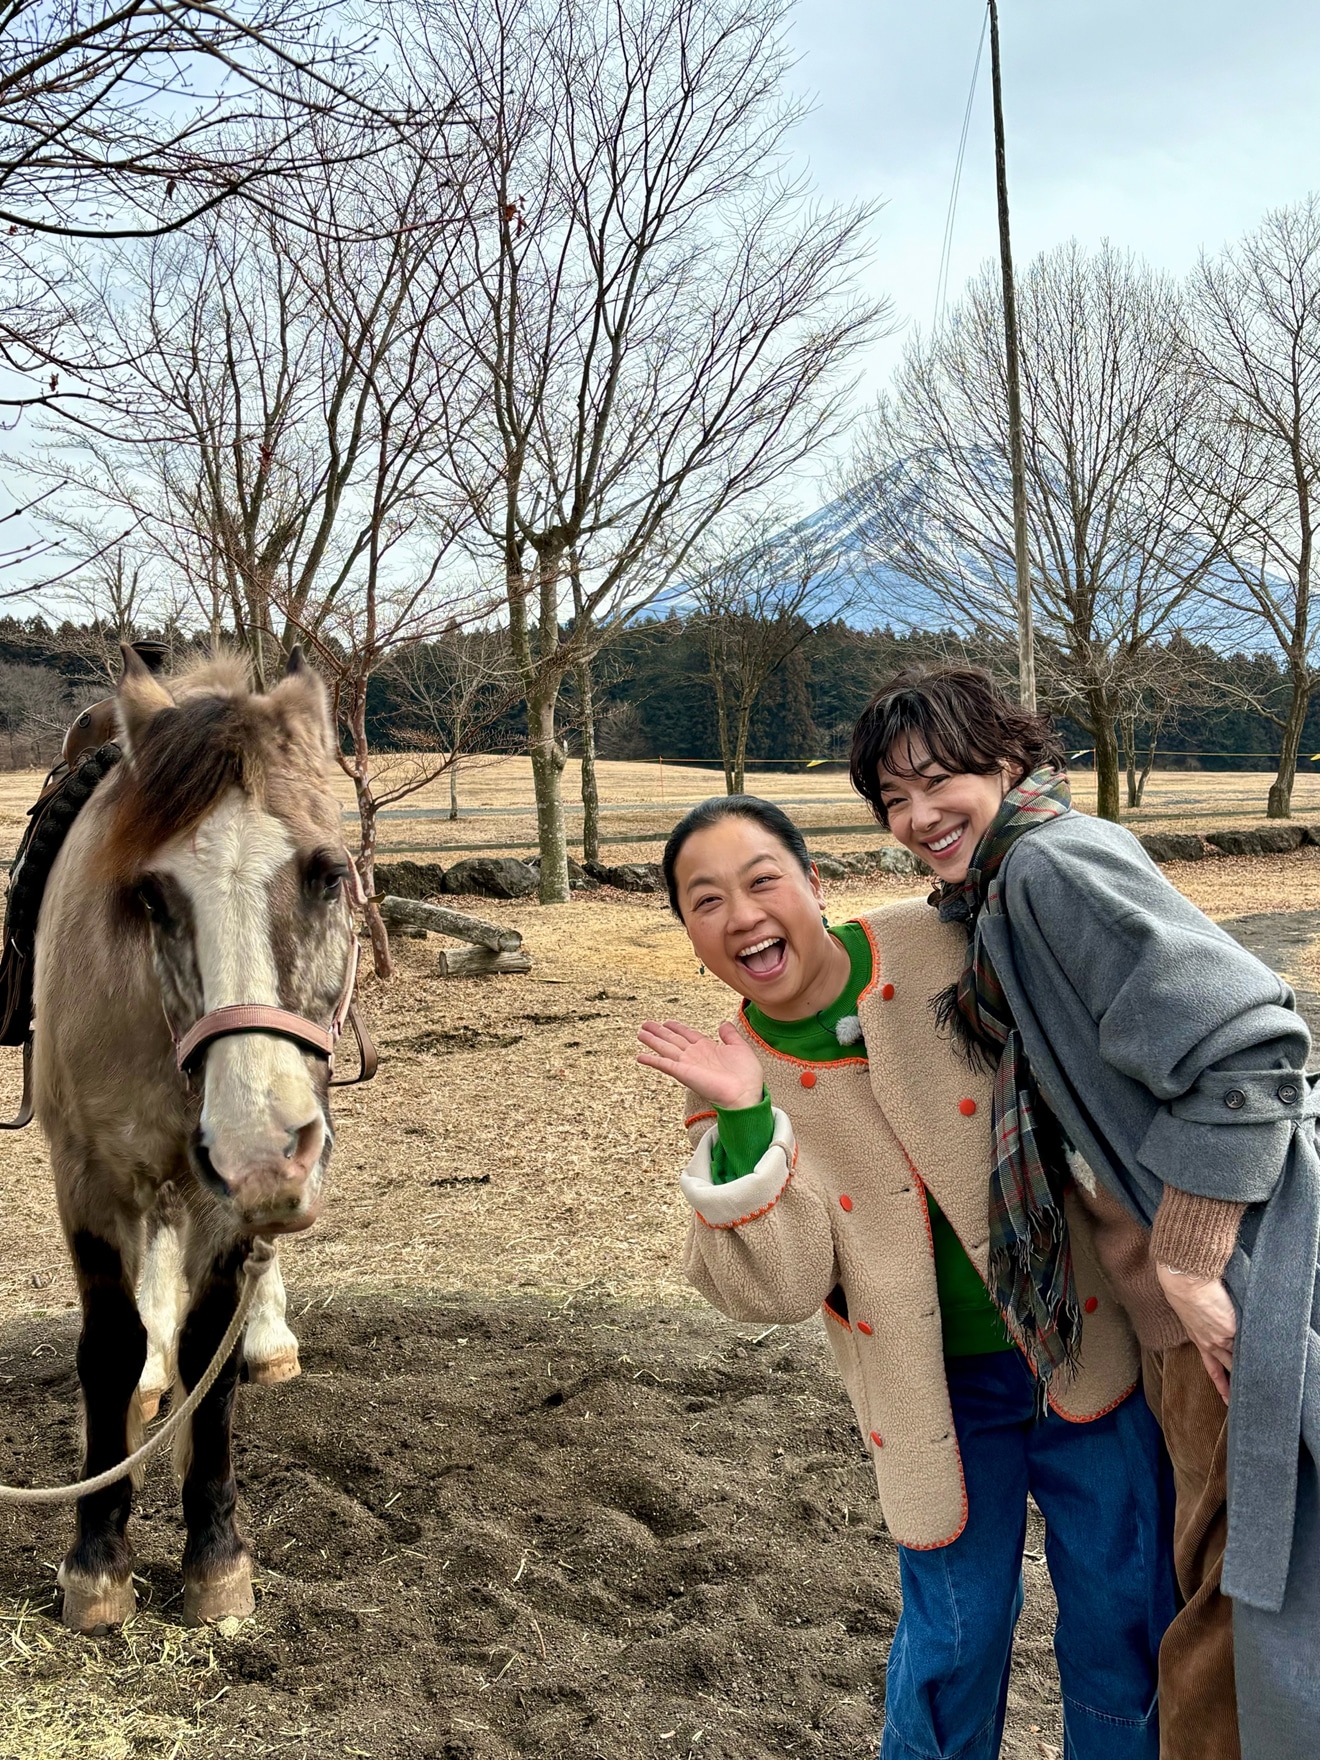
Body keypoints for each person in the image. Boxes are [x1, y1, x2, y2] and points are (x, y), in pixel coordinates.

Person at [638, 794, 1176, 1760]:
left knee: (1122, 1612)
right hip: (938, 1397)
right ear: (689, 933)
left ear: (814, 881)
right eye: (705, 900)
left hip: (1078, 1340)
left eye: (763, 880)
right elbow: (779, 1289)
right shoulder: (728, 1068)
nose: (743, 915)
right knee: (952, 1642)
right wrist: (749, 1122)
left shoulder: (937, 942)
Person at [848, 666, 1320, 1760]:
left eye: (939, 779)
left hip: (1238, 1271)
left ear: (1005, 760)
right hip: (1171, 1298)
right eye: (891, 798)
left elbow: (1254, 1043)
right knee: (1220, 1575)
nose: (918, 817)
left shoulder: (1054, 867)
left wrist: (1197, 1268)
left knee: (1237, 1593)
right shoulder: (1004, 885)